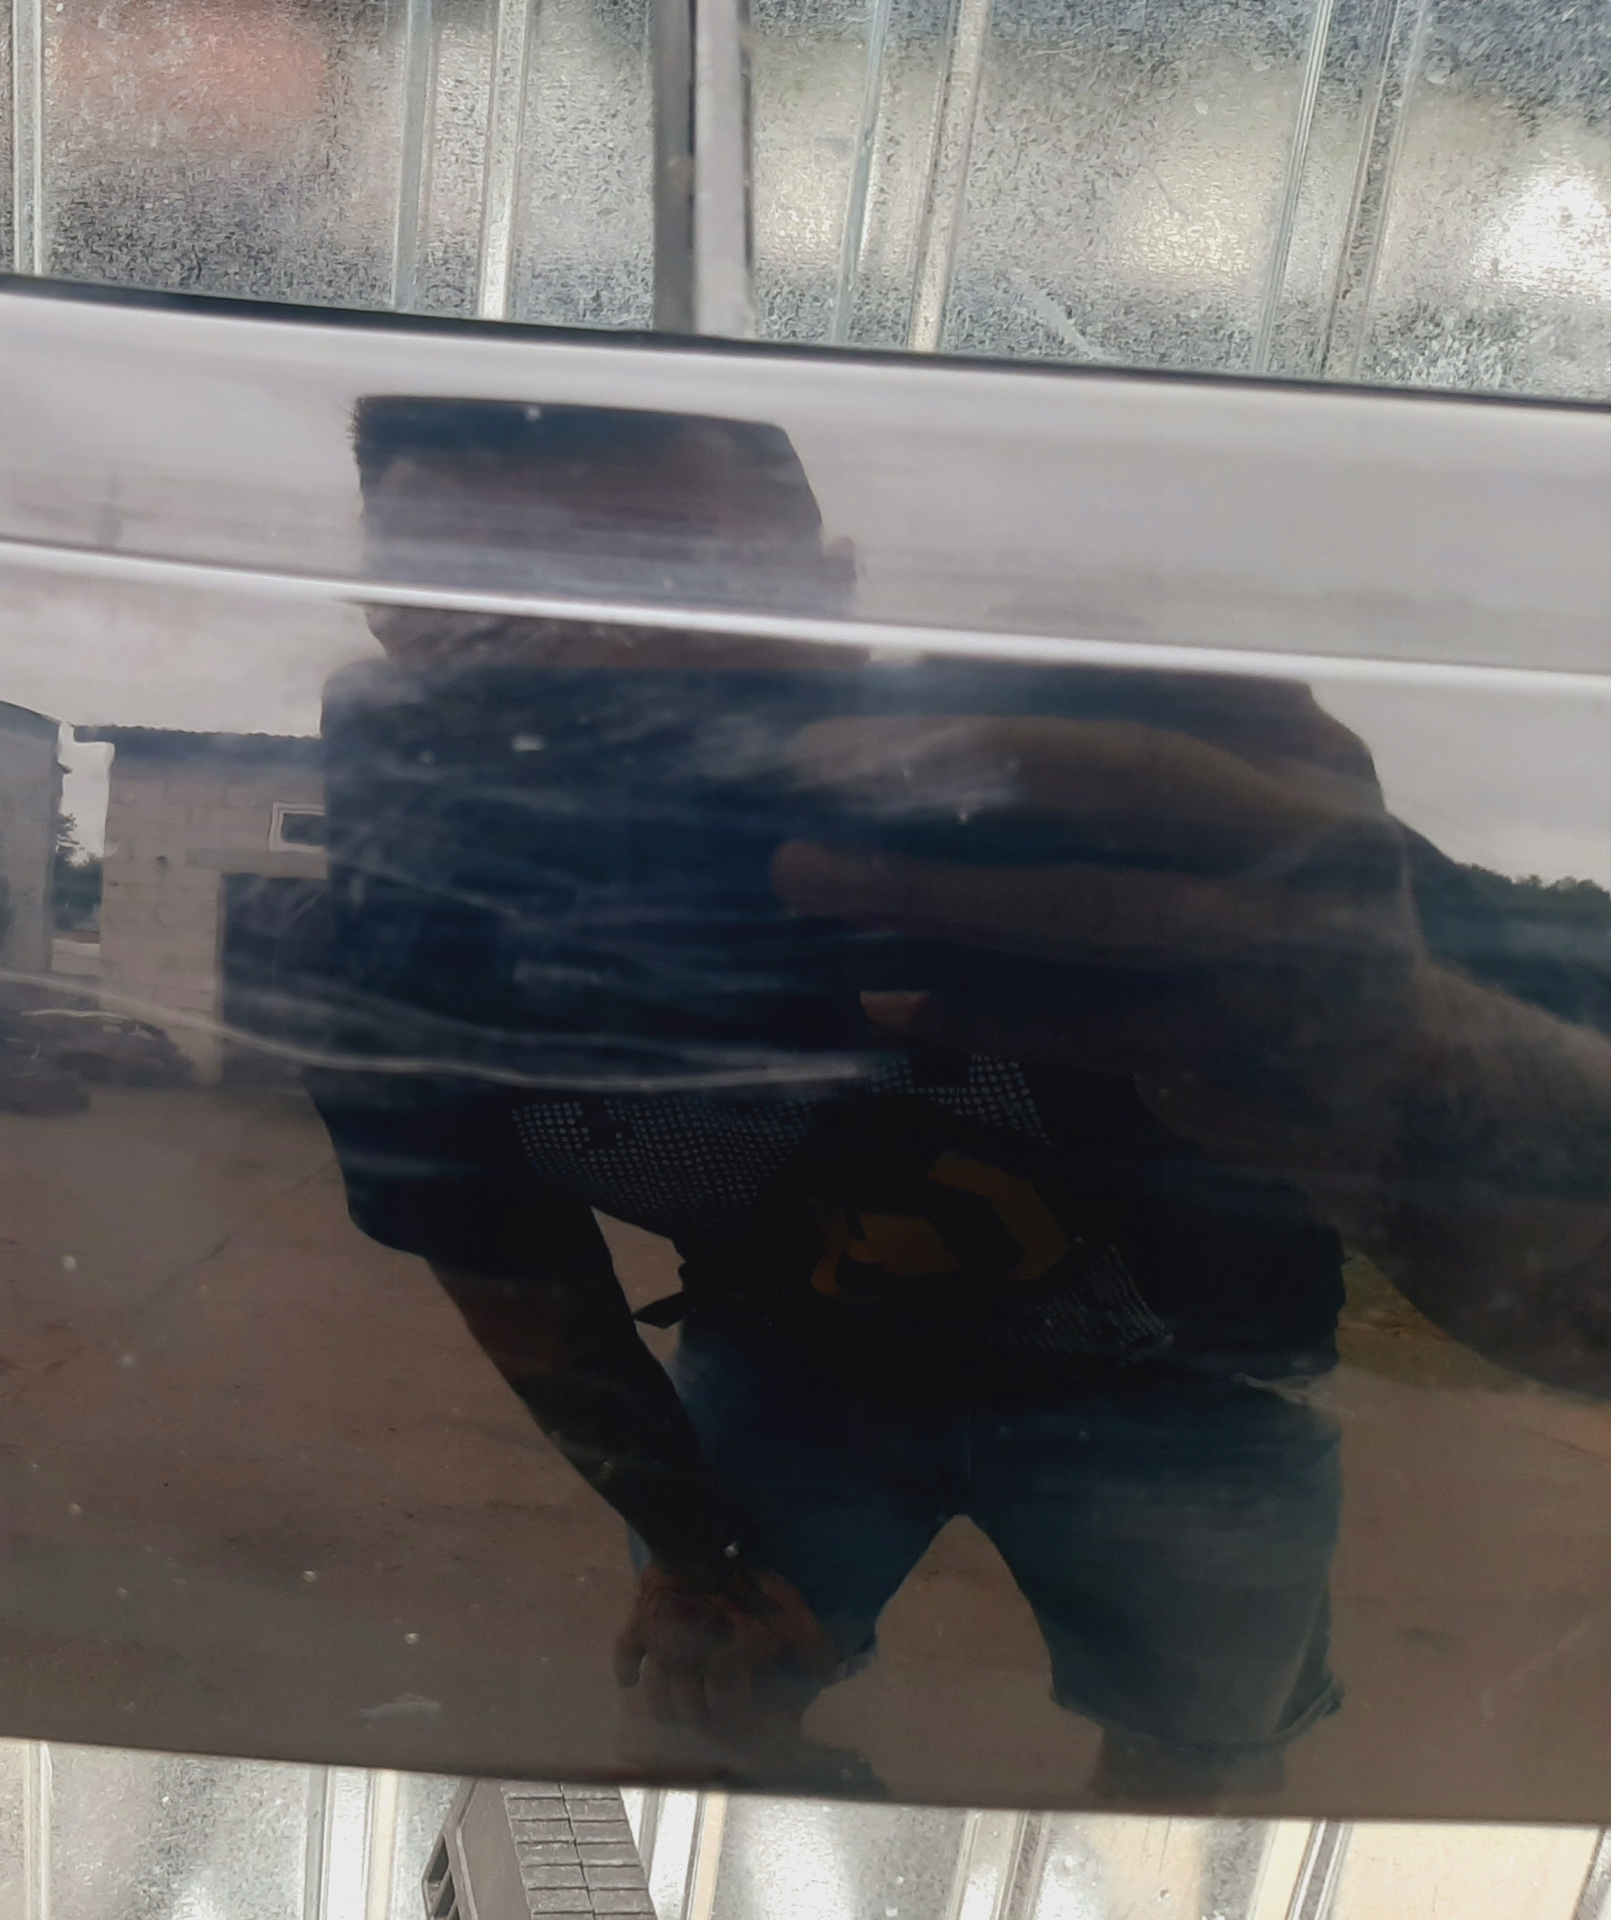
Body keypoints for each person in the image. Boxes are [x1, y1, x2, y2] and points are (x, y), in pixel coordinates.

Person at [297, 397, 1611, 1798]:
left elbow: (1575, 1276)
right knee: (704, 1707)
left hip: (1183, 1379)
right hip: (799, 1355)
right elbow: (528, 1295)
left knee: (1204, 1768)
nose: (613, 673)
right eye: (488, 615)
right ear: (389, 632)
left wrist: (1397, 1046)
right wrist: (692, 1553)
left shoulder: (1095, 797)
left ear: (834, 597)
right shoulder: (412, 939)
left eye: (684, 587)